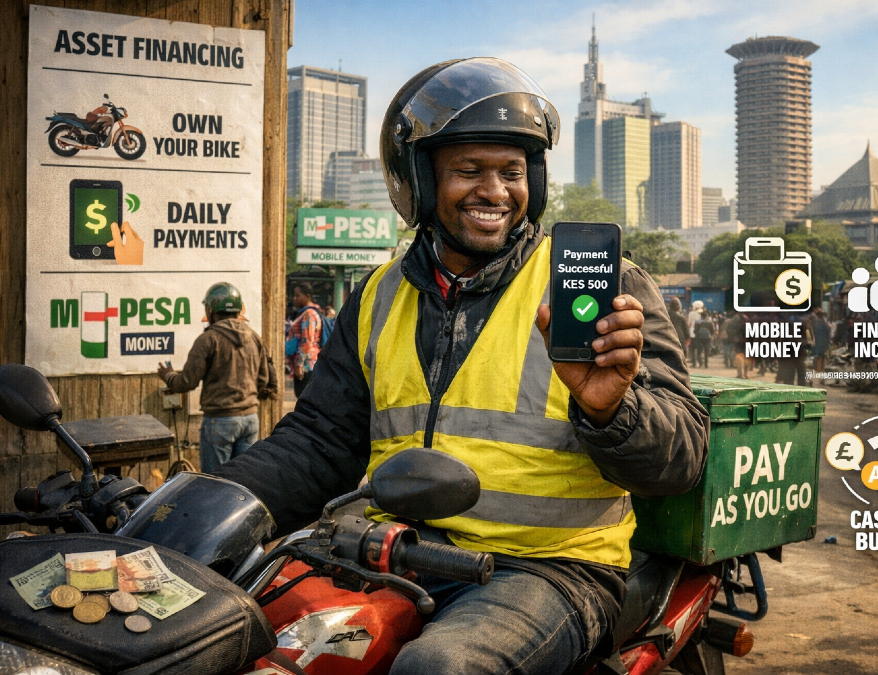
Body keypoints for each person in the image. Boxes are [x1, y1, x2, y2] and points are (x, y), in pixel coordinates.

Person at [213, 58, 710, 675]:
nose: (495, 192)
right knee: (249, 633)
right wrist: (201, 508)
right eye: (469, 171)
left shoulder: (600, 286)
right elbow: (317, 443)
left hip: (548, 570)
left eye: (512, 172)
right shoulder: (379, 296)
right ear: (419, 181)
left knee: (438, 669)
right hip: (394, 553)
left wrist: (612, 408)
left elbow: (682, 458)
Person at [158, 282, 276, 473]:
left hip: (220, 421)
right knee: (243, 480)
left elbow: (186, 382)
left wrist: (168, 375)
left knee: (215, 482)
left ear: (211, 310)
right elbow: (263, 380)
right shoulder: (254, 337)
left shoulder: (208, 339)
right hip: (250, 420)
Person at [287, 283, 323, 397]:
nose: (294, 299)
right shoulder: (313, 311)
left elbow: (307, 341)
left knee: (303, 397)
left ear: (307, 296)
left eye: (298, 295)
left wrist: (299, 364)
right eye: (294, 295)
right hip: (311, 362)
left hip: (307, 364)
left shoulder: (308, 314)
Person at [810, 308, 831, 375]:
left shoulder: (817, 322)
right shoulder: (824, 322)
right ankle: (820, 370)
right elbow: (828, 333)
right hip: (823, 341)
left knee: (818, 357)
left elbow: (814, 331)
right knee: (821, 356)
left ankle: (818, 370)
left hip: (819, 341)